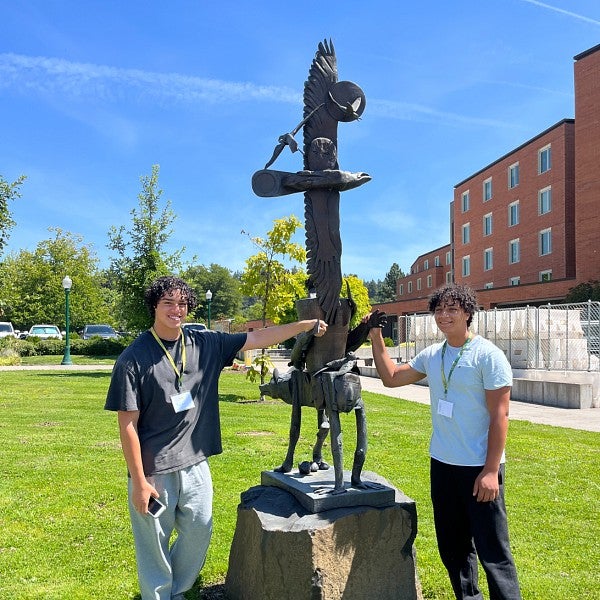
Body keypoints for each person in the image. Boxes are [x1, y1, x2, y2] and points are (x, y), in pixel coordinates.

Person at [104, 276, 328, 600]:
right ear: (154, 305)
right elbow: (127, 425)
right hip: (154, 470)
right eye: (168, 302)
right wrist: (139, 481)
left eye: (182, 303)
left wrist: (303, 325)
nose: (176, 310)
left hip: (195, 463)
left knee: (199, 529)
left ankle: (178, 590)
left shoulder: (204, 343)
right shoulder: (133, 360)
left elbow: (258, 337)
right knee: (153, 541)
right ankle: (157, 596)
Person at [368, 283, 521, 600]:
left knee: (493, 552)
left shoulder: (488, 356)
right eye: (438, 309)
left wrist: (491, 471)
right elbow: (392, 377)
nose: (444, 315)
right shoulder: (432, 355)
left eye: (452, 309)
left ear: (467, 313)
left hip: (479, 468)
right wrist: (375, 336)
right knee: (453, 547)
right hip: (443, 465)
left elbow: (500, 416)